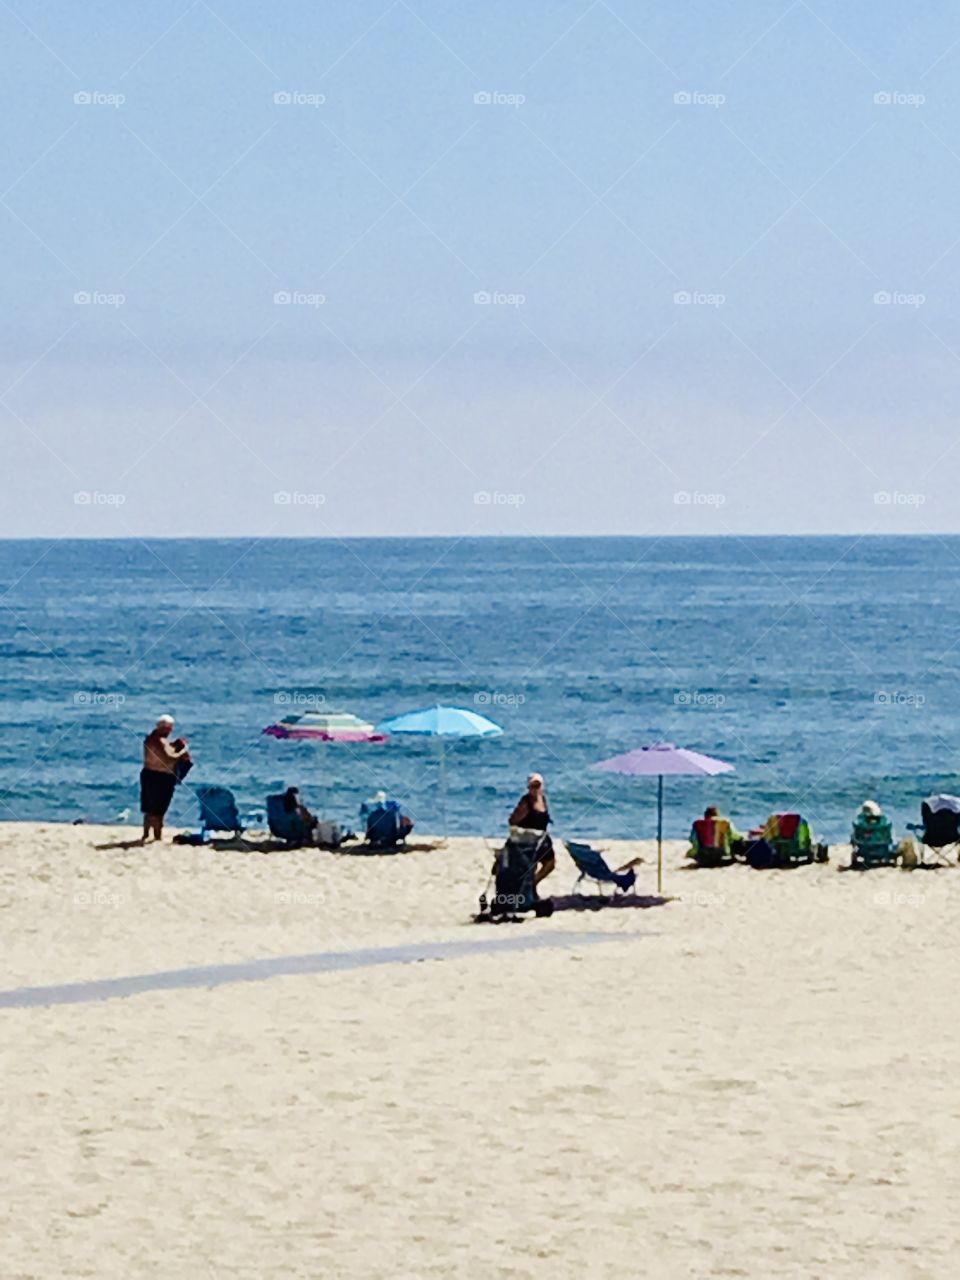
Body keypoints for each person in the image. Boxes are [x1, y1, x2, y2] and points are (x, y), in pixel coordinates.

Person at [139, 715, 190, 844]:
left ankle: (146, 834)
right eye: (169, 728)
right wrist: (183, 751)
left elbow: (166, 751)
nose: (170, 731)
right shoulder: (158, 740)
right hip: (159, 776)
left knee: (149, 807)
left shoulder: (155, 739)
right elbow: (168, 758)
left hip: (151, 774)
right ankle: (157, 836)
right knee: (158, 809)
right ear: (164, 728)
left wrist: (175, 746)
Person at [508, 773, 554, 885]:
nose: (535, 789)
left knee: (550, 864)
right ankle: (530, 889)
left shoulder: (543, 799)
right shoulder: (526, 802)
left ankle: (533, 884)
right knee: (531, 867)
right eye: (532, 786)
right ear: (528, 787)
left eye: (537, 786)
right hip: (528, 841)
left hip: (542, 841)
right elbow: (513, 821)